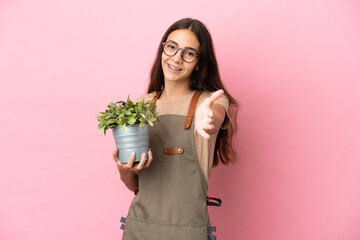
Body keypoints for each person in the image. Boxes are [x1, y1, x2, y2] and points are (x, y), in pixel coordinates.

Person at [112, 18, 238, 240]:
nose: (176, 58)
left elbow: (214, 116)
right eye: (171, 47)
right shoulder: (140, 106)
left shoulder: (211, 102)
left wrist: (207, 118)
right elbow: (135, 186)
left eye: (189, 53)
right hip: (139, 228)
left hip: (188, 231)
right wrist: (125, 170)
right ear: (163, 48)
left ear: (199, 62)